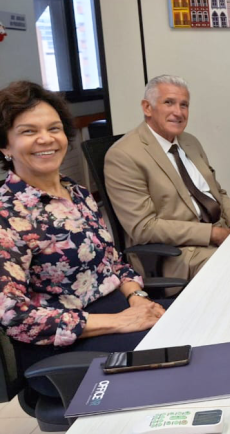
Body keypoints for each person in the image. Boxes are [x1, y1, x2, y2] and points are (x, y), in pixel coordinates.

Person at [0, 81, 169, 388]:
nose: (45, 139)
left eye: (54, 128)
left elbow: (113, 262)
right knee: (178, 360)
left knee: (199, 324)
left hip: (120, 312)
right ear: (5, 145)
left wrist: (138, 298)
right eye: (28, 131)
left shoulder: (75, 192)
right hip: (63, 348)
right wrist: (119, 322)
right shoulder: (7, 213)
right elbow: (15, 316)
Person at [105, 75, 230, 283]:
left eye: (184, 105)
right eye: (168, 102)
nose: (178, 112)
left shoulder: (190, 142)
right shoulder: (123, 156)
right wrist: (213, 234)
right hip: (178, 253)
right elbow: (144, 228)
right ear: (147, 107)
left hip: (219, 232)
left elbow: (217, 192)